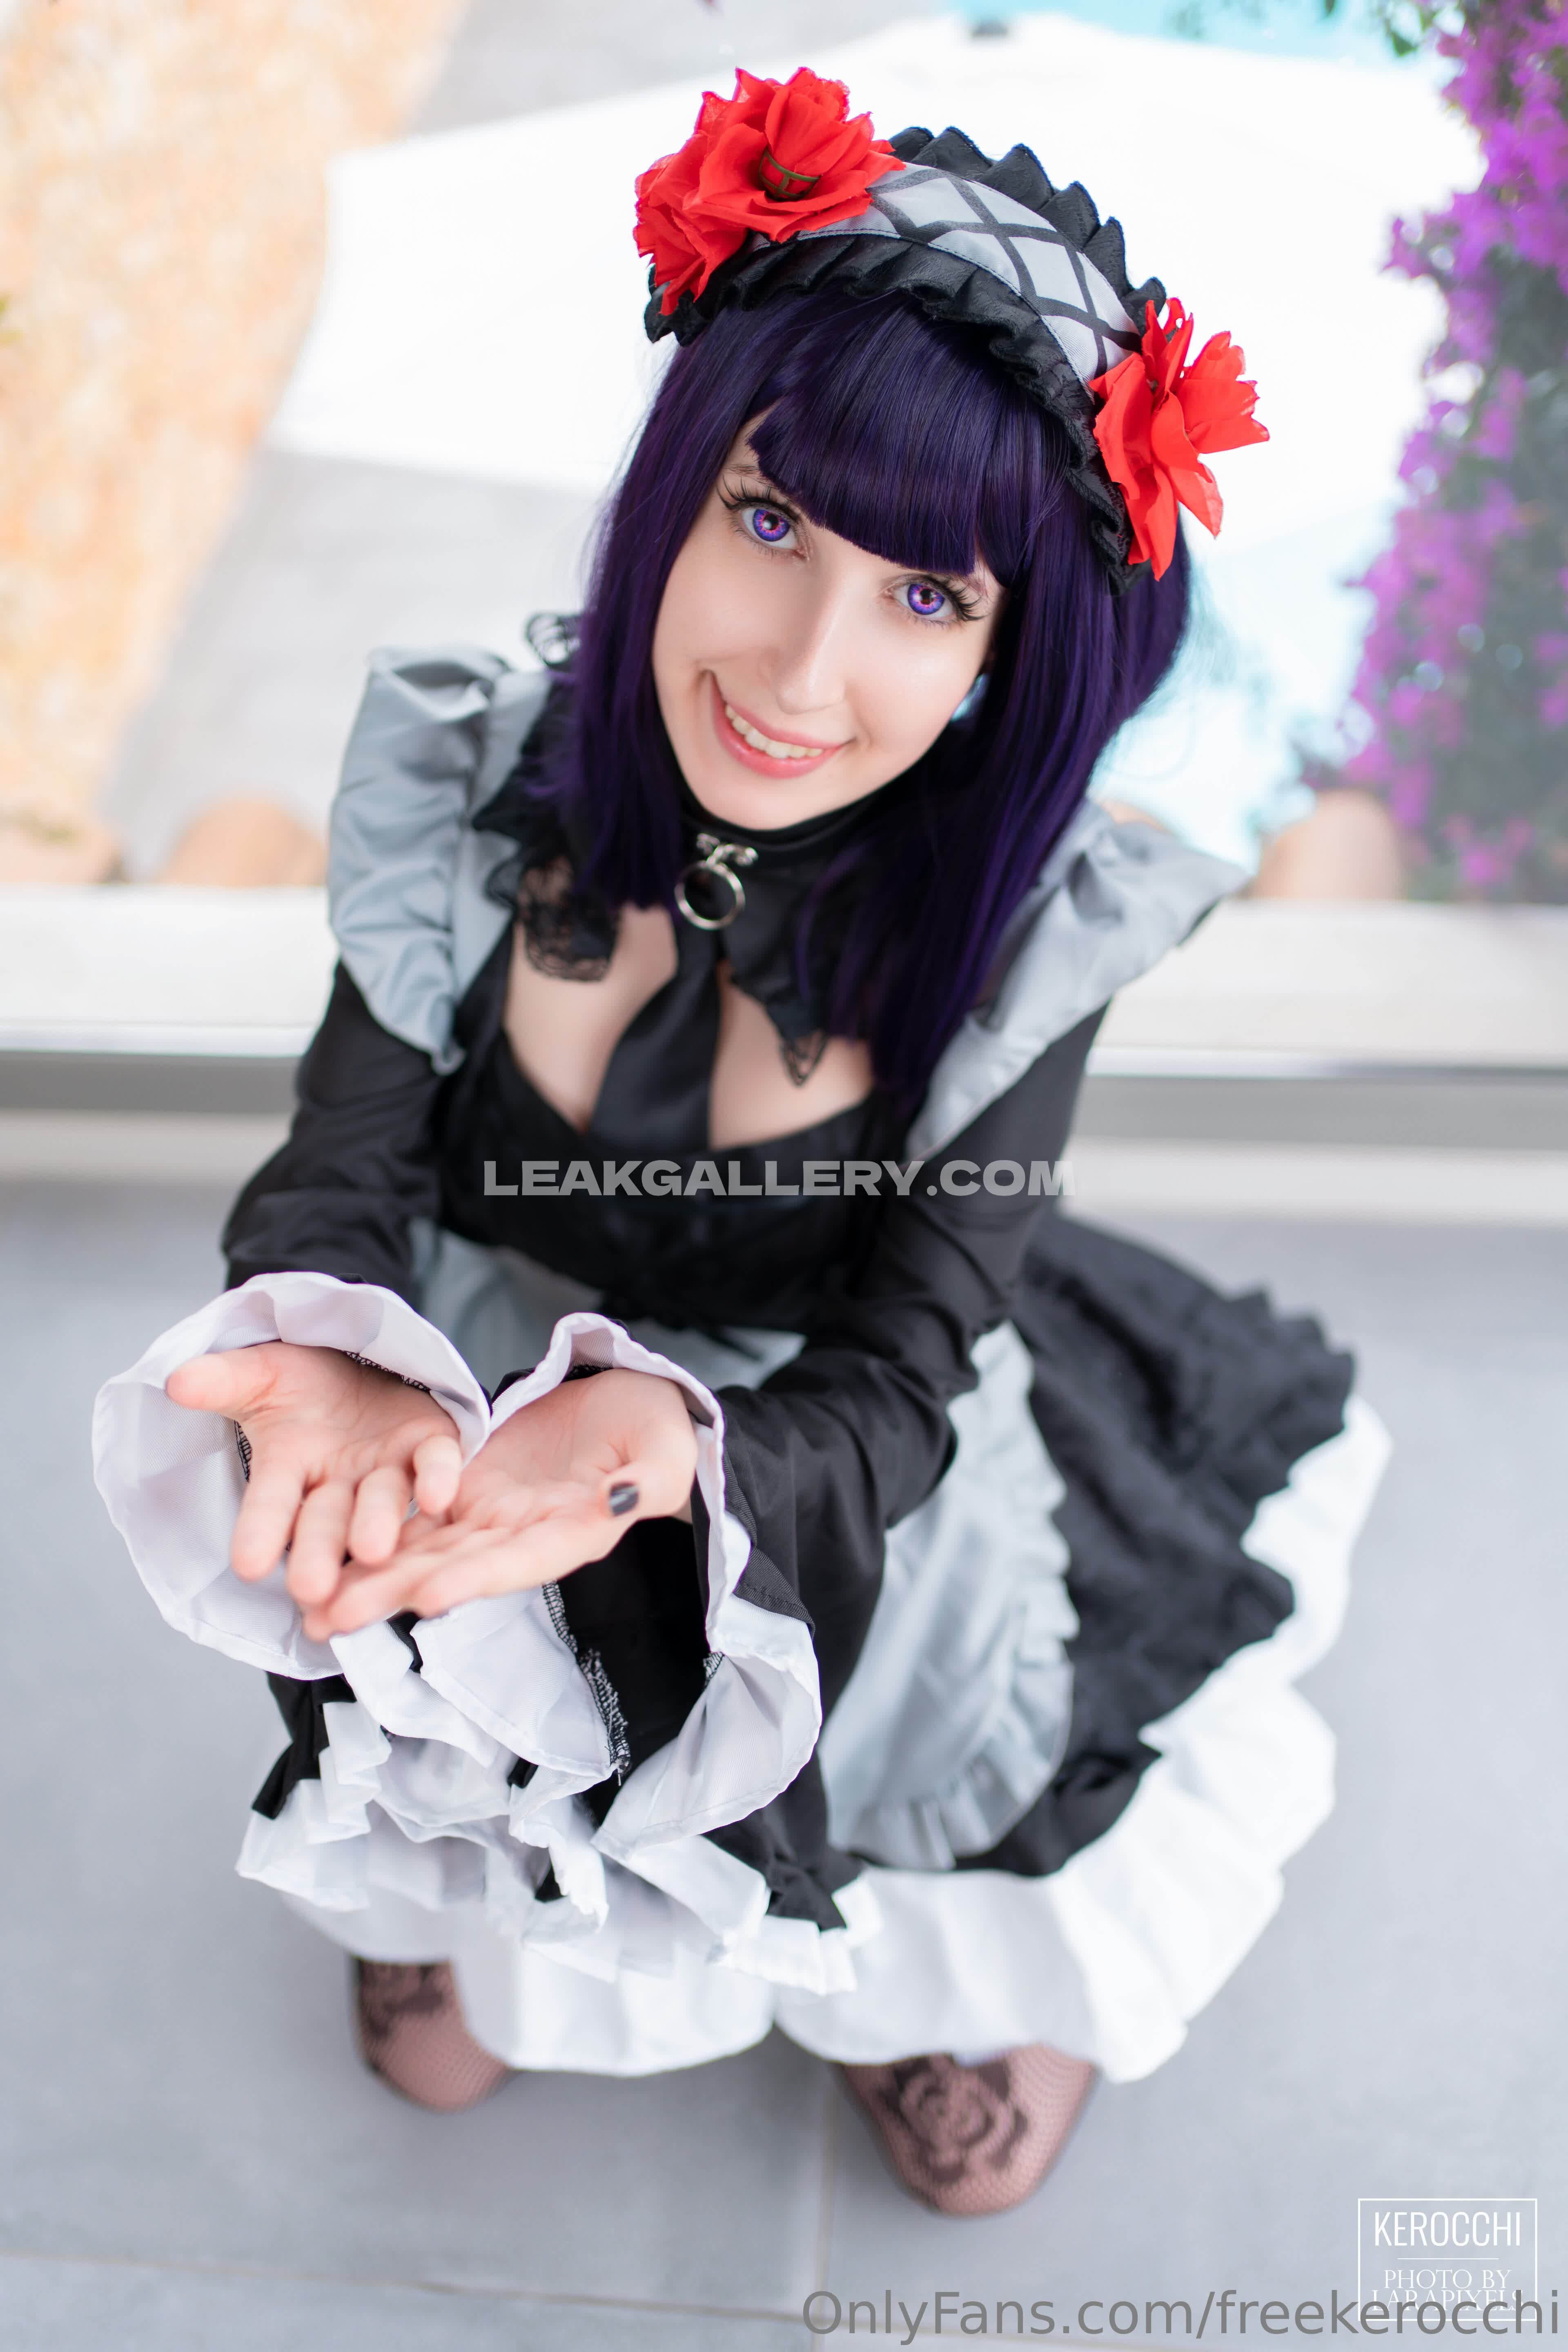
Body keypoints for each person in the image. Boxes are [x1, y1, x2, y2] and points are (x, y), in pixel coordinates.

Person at [94, 69, 1388, 2218]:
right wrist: (333, 1343)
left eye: (927, 599)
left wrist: (671, 1458)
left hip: (813, 1457)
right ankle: (480, 1841)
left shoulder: (1022, 931)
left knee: (917, 1904)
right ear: (676, 492)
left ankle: (912, 1936)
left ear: (1011, 653)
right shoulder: (467, 789)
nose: (801, 670)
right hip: (485, 1398)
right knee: (442, 1976)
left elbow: (908, 1369)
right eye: (771, 524)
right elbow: (346, 1162)